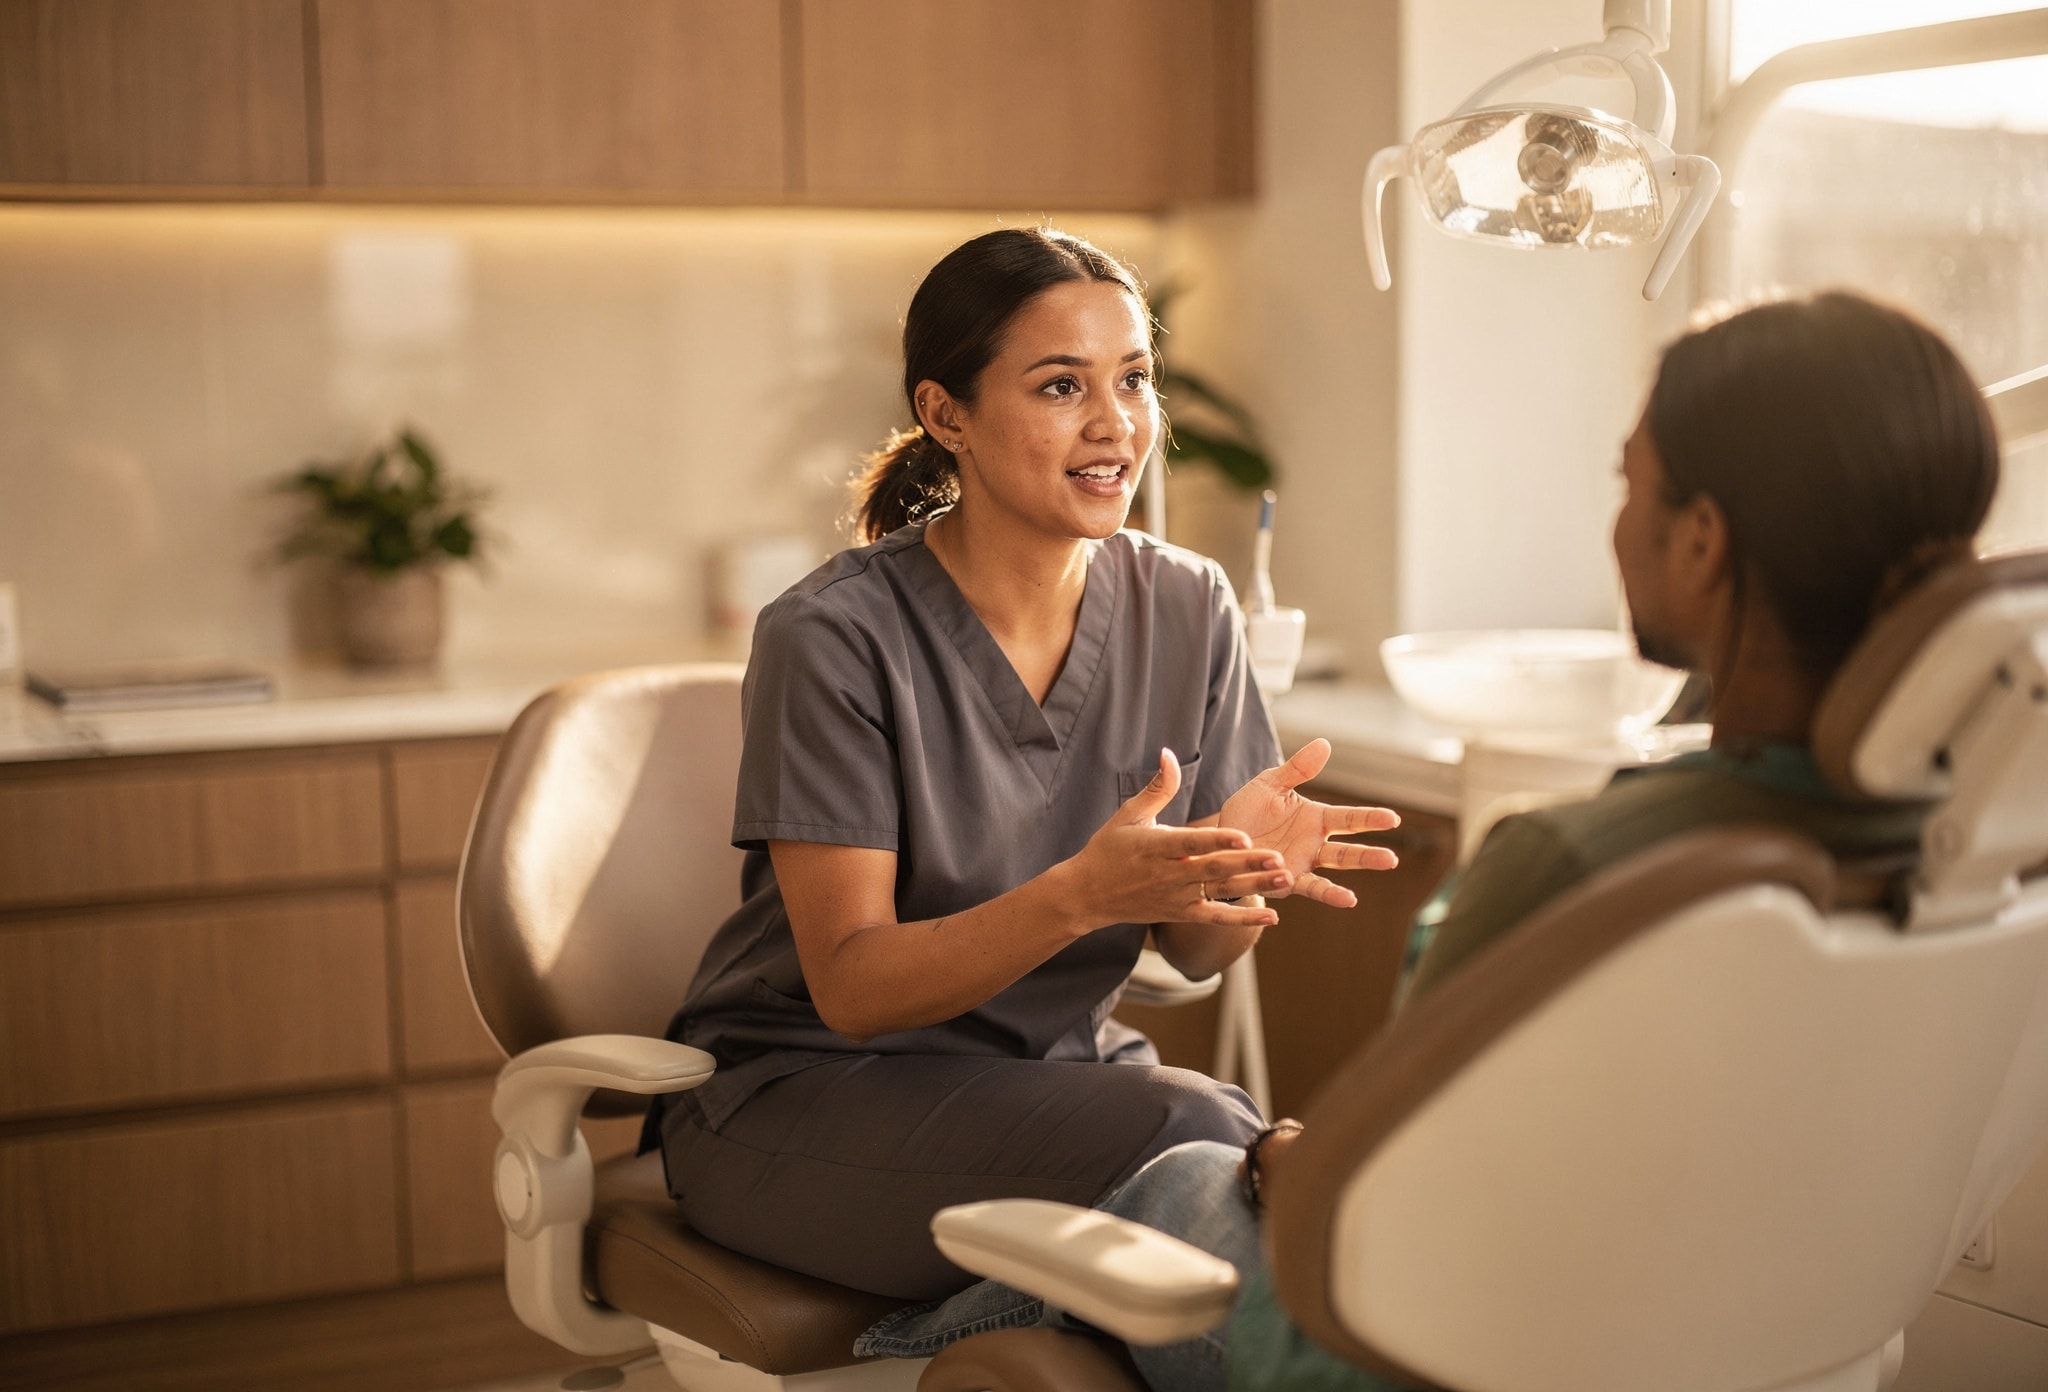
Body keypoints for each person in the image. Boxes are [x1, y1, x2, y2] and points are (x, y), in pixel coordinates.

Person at [858, 289, 2003, 1389]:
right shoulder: (1974, 877)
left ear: (1700, 543)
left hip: (1410, 1360)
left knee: (1187, 1176)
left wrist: (1285, 1162)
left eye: (1627, 481)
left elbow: (1385, 1220)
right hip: (1762, 1350)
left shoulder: (1571, 871)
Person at [653, 226, 1402, 1303]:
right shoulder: (832, 637)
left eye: (1133, 380)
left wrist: (1239, 881)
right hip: (805, 1099)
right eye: (1061, 387)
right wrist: (1078, 898)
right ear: (944, 413)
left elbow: (1193, 954)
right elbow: (853, 989)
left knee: (1219, 1180)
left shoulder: (1187, 604)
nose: (1115, 427)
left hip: (1052, 1090)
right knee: (1211, 1140)